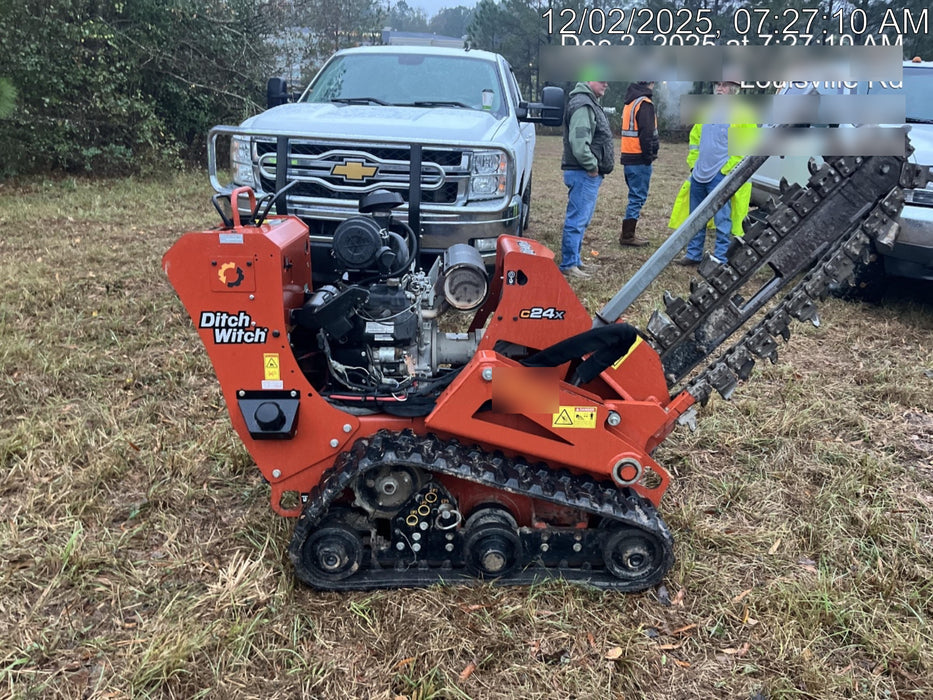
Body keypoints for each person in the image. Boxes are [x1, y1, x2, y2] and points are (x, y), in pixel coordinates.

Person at [676, 80, 756, 266]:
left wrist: (726, 171)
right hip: (699, 174)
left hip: (720, 176)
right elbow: (695, 138)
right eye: (718, 84)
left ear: (734, 89)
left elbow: (747, 146)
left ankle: (720, 257)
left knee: (723, 219)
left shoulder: (743, 114)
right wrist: (694, 164)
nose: (720, 88)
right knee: (696, 217)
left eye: (725, 85)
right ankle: (693, 254)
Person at [559, 79, 615, 278]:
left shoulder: (587, 102)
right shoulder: (583, 104)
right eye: (602, 80)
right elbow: (579, 142)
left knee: (582, 219)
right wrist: (592, 166)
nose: (606, 84)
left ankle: (575, 261)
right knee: (577, 220)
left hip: (585, 172)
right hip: (583, 172)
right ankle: (568, 265)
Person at [619, 81, 658, 247]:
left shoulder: (630, 102)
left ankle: (628, 234)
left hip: (628, 157)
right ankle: (628, 236)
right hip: (639, 159)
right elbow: (647, 134)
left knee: (634, 196)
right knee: (637, 198)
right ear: (652, 82)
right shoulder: (645, 104)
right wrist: (649, 156)